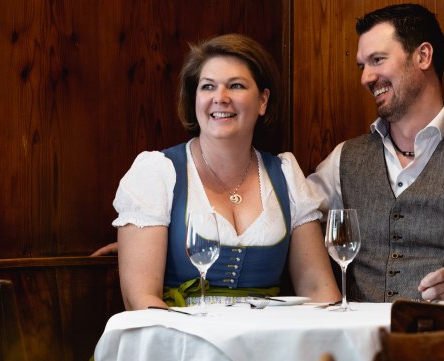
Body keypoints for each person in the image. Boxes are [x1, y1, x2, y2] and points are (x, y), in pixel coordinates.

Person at [307, 3, 444, 306]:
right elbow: (296, 218)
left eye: (378, 60)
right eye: (363, 66)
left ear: (423, 56)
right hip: (358, 347)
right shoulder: (343, 159)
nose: (366, 78)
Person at [112, 33, 339, 310]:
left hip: (270, 345)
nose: (220, 98)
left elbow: (319, 289)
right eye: (208, 87)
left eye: (236, 86)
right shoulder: (157, 172)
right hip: (180, 343)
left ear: (263, 101)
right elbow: (141, 300)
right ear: (194, 98)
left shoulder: (285, 174)